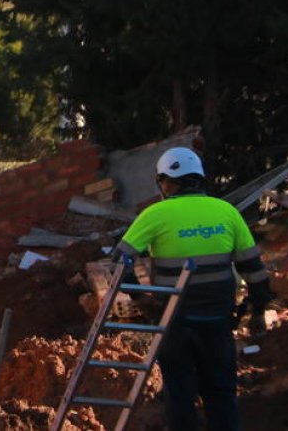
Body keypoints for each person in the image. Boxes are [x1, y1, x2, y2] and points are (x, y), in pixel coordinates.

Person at [113, 146, 273, 431]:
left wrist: (141, 297)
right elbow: (254, 270)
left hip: (174, 322)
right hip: (218, 321)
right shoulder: (227, 212)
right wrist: (258, 311)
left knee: (179, 396)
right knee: (221, 394)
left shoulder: (155, 214)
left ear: (166, 182)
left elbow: (120, 260)